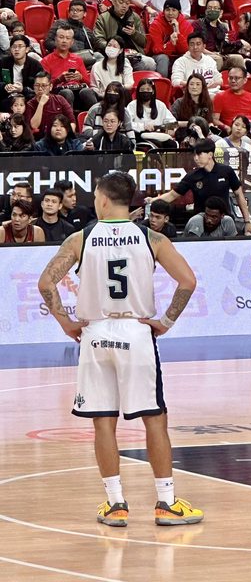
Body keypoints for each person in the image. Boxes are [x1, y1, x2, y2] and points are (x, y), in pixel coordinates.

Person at [38, 171, 204, 527]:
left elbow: (46, 283)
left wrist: (66, 323)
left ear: (102, 199)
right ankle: (166, 502)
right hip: (136, 331)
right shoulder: (152, 238)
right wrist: (166, 321)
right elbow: (188, 281)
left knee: (103, 422)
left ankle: (116, 504)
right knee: (154, 419)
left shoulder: (80, 238)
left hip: (95, 333)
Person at [148, 137, 251, 235]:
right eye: (194, 155)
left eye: (199, 154)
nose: (196, 158)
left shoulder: (226, 171)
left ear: (210, 155)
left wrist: (247, 221)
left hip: (224, 221)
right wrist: (153, 200)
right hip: (201, 223)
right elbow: (172, 195)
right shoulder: (192, 176)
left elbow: (239, 195)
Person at [93, 0, 156, 72]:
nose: (124, 6)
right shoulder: (103, 18)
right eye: (121, 2)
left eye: (127, 3)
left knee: (150, 63)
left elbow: (144, 42)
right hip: (112, 54)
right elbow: (98, 40)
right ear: (113, 2)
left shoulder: (135, 17)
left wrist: (134, 33)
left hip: (132, 54)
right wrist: (113, 47)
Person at [41, 24, 97, 111]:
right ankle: (69, 119)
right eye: (61, 37)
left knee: (87, 92)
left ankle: (97, 116)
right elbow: (43, 86)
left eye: (68, 38)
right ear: (55, 39)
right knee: (67, 92)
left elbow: (88, 83)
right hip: (58, 93)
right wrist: (59, 79)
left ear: (72, 42)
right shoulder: (46, 61)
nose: (64, 41)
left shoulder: (77, 59)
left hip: (77, 91)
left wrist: (80, 77)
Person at [44, 1, 102, 69]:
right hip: (64, 57)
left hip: (82, 58)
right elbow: (47, 42)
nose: (75, 12)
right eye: (72, 10)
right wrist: (65, 47)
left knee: (99, 57)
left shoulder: (87, 31)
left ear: (85, 13)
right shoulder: (60, 24)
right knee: (98, 56)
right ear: (69, 12)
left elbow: (95, 47)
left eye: (78, 10)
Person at [149, 0, 194, 77]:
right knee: (163, 58)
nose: (170, 13)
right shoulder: (156, 24)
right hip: (160, 57)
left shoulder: (186, 25)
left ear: (179, 12)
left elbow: (187, 49)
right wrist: (171, 44)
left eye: (174, 10)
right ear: (163, 11)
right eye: (167, 10)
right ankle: (162, 83)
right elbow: (156, 49)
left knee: (188, 56)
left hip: (179, 55)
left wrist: (178, 33)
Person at [213, 66, 251, 141]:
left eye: (237, 78)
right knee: (245, 140)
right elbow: (215, 119)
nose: (233, 81)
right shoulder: (220, 96)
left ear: (245, 80)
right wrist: (226, 128)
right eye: (230, 78)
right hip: (233, 133)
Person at [25, 71, 76, 138]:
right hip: (41, 139)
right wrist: (41, 104)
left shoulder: (60, 99)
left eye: (44, 85)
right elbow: (34, 126)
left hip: (61, 137)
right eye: (37, 85)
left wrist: (65, 136)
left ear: (50, 86)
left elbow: (72, 122)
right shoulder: (30, 104)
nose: (40, 88)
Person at [127, 77, 177, 145]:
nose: (145, 92)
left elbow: (173, 122)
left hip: (158, 134)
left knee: (172, 144)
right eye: (142, 89)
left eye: (148, 89)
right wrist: (143, 126)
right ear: (138, 91)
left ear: (153, 91)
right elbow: (128, 124)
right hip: (140, 136)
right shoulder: (132, 105)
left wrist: (170, 128)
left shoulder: (160, 105)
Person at [83, 82, 135, 146]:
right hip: (97, 143)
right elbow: (86, 130)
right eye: (109, 91)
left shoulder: (125, 112)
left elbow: (130, 132)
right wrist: (102, 134)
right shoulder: (95, 108)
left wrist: (133, 146)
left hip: (119, 145)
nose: (112, 94)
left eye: (115, 92)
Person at [0, 34, 40, 109]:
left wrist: (22, 89)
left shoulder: (35, 65)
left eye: (20, 46)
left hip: (28, 99)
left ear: (27, 49)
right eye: (14, 47)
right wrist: (4, 86)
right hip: (7, 99)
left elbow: (39, 88)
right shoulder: (3, 62)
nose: (16, 49)